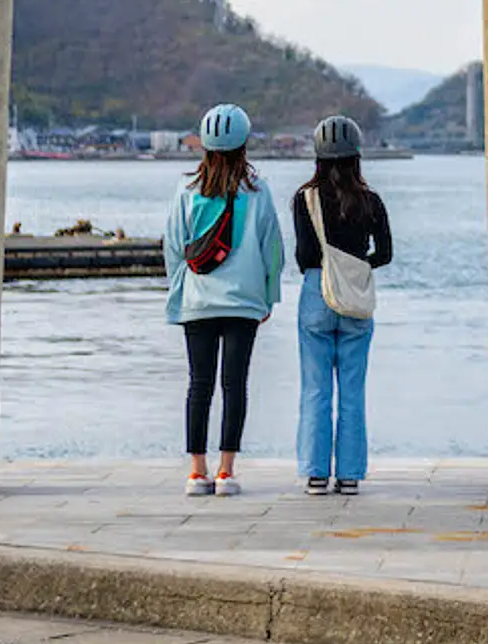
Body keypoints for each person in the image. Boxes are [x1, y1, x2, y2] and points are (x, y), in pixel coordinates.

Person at [163, 102, 284, 497]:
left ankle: (196, 472)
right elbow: (273, 251)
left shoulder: (186, 190)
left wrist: (181, 293)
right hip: (244, 304)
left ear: (205, 145)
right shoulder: (258, 191)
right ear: (244, 145)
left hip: (197, 302)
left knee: (199, 385)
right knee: (235, 385)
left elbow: (174, 250)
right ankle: (226, 471)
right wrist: (267, 299)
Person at [292, 114, 392, 496]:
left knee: (316, 390)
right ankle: (348, 475)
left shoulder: (305, 199)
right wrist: (356, 266)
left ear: (318, 156)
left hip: (317, 293)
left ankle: (316, 474)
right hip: (356, 300)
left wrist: (323, 269)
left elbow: (303, 254)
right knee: (352, 390)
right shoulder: (371, 200)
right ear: (357, 155)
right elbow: (385, 253)